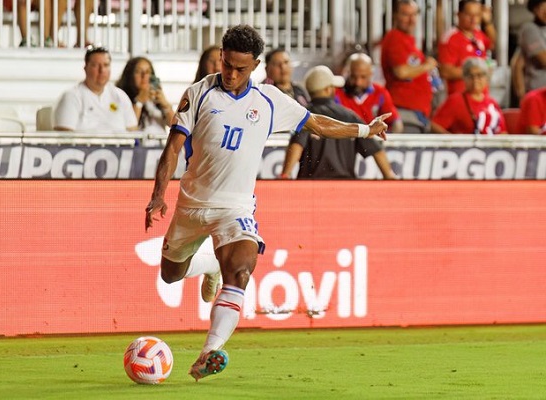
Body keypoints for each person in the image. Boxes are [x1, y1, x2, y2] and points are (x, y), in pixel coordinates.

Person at [145, 24, 389, 382]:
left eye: (240, 68)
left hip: (236, 209)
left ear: (256, 65)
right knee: (170, 275)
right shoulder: (198, 93)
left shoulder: (269, 101)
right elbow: (173, 148)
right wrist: (157, 197)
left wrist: (365, 130)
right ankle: (211, 263)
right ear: (221, 58)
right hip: (192, 205)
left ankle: (210, 351)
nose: (230, 73)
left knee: (242, 272)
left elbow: (317, 123)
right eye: (226, 64)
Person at [280, 65, 396, 180]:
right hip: (345, 187)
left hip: (312, 187)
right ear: (328, 89)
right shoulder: (349, 116)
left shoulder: (304, 115)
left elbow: (297, 145)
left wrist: (285, 174)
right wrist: (389, 176)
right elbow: (377, 150)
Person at [381, 0, 438, 132]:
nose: (411, 20)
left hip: (416, 113)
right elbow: (401, 72)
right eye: (406, 15)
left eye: (414, 15)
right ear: (395, 16)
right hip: (405, 112)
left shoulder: (408, 41)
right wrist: (427, 66)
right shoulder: (395, 38)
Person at [53, 46, 138, 132]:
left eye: (106, 65)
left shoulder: (120, 96)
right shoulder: (71, 97)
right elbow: (64, 137)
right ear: (85, 68)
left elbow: (133, 131)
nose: (102, 70)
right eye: (96, 65)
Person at [431, 57, 506, 135]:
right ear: (464, 78)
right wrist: (453, 141)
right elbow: (434, 126)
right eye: (470, 76)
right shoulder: (456, 101)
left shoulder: (492, 103)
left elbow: (503, 131)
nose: (475, 79)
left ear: (486, 78)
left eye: (479, 75)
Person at [438, 0, 496, 95]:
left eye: (477, 15)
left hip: (481, 97)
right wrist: (476, 72)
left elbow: (492, 44)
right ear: (458, 14)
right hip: (461, 98)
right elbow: (445, 71)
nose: (473, 19)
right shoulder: (450, 38)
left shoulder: (478, 34)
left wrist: (488, 22)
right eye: (469, 15)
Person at [336, 53, 403, 133]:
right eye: (353, 77)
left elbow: (395, 121)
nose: (358, 82)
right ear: (347, 73)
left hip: (374, 141)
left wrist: (390, 140)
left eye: (363, 77)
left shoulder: (380, 92)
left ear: (371, 74)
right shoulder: (337, 94)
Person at [117, 57, 174, 141]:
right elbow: (128, 128)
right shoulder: (121, 96)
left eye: (147, 72)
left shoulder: (156, 98)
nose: (144, 76)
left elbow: (175, 126)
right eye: (138, 72)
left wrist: (166, 105)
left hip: (158, 149)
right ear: (130, 75)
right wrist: (139, 102)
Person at [517, 0, 546, 94]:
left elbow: (518, 63)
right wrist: (521, 94)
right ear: (534, 11)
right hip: (538, 92)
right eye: (540, 8)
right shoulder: (530, 29)